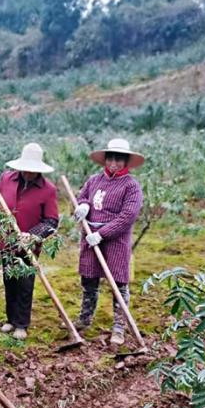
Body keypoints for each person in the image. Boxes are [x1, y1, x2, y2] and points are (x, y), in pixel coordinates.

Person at [73, 138, 144, 345]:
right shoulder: (94, 180)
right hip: (90, 236)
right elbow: (83, 197)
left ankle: (119, 328)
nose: (114, 163)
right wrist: (83, 206)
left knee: (119, 284)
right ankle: (85, 319)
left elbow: (127, 216)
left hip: (115, 241)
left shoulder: (131, 186)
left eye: (119, 159)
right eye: (110, 158)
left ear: (126, 162)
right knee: (89, 280)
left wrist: (103, 233)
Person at [0, 142, 59, 341]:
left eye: (31, 170)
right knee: (9, 280)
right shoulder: (7, 179)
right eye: (25, 169)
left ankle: (21, 324)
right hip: (7, 241)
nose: (27, 173)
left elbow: (51, 221)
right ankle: (10, 319)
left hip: (29, 246)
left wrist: (33, 235)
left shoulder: (48, 190)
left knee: (25, 284)